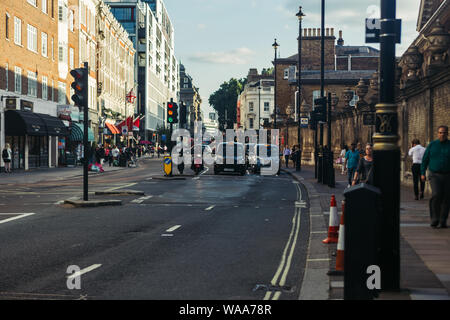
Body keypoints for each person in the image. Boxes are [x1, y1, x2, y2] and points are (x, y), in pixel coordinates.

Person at [421, 125, 450, 229]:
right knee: (436, 194)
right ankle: (434, 218)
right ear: (437, 133)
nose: (442, 134)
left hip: (447, 175)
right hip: (435, 175)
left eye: (444, 132)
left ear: (447, 133)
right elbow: (425, 159)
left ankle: (443, 220)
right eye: (440, 132)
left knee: (447, 198)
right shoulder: (432, 145)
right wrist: (422, 173)